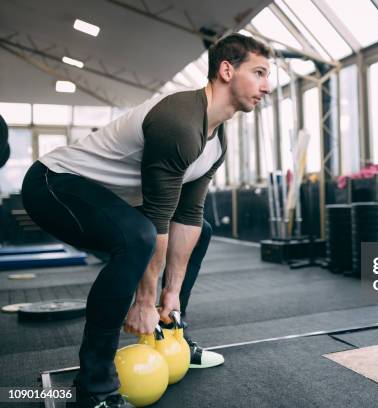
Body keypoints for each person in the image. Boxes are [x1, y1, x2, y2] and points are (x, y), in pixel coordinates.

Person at [21, 33, 271, 408]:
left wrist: (170, 294)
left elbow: (187, 217)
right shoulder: (179, 121)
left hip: (111, 199)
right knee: (136, 236)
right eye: (260, 73)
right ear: (226, 70)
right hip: (53, 183)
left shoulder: (215, 141)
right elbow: (156, 219)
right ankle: (95, 385)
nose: (267, 86)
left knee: (201, 232)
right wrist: (144, 298)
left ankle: (173, 334)